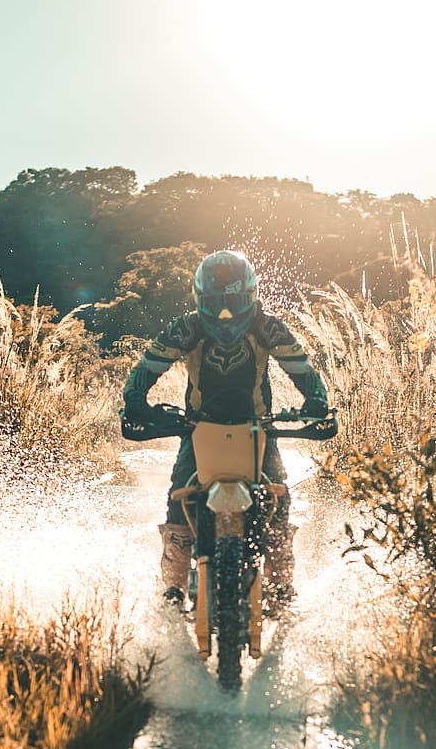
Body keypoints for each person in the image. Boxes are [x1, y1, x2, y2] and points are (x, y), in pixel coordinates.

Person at [120, 249, 330, 607]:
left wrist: (317, 401)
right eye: (216, 303)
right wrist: (135, 398)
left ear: (250, 296)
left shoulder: (267, 326)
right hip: (199, 428)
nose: (225, 314)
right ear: (200, 299)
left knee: (278, 502)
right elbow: (146, 367)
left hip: (258, 429)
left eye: (233, 302)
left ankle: (282, 588)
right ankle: (172, 590)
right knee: (178, 504)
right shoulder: (186, 328)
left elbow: (302, 369)